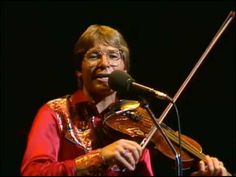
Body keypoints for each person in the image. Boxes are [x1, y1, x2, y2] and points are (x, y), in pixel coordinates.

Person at [20, 24, 231, 176]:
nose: (105, 63)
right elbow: (32, 172)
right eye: (94, 55)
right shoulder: (54, 112)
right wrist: (99, 157)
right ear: (78, 69)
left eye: (114, 56)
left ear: (124, 69)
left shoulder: (138, 121)